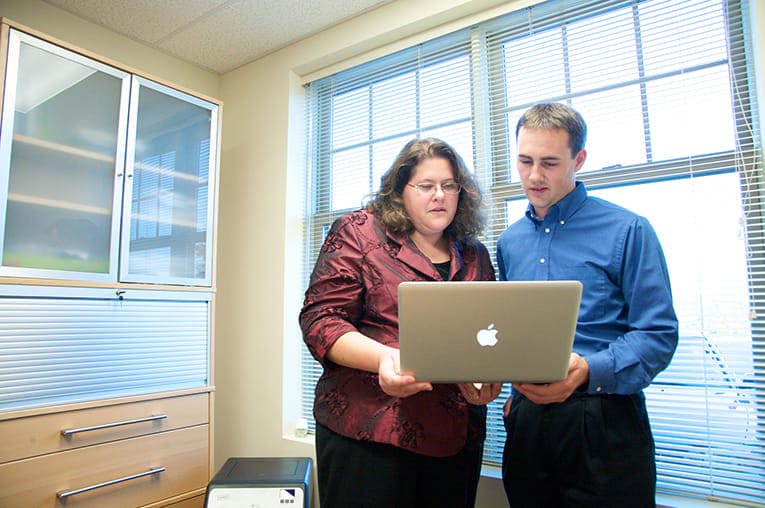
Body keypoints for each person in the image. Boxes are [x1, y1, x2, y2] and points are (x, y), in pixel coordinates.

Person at [300, 138, 502, 508]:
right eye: (426, 186)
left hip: (455, 436)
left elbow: (485, 331)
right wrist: (384, 358)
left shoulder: (474, 254)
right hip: (369, 433)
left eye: (449, 186)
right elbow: (321, 319)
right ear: (400, 190)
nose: (439, 195)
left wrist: (484, 376)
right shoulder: (358, 232)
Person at [496, 103, 679, 507]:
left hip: (604, 420)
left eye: (549, 162)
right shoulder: (509, 242)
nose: (534, 175)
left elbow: (658, 335)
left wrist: (586, 370)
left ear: (579, 159)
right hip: (528, 426)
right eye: (524, 160)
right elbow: (508, 330)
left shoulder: (628, 230)